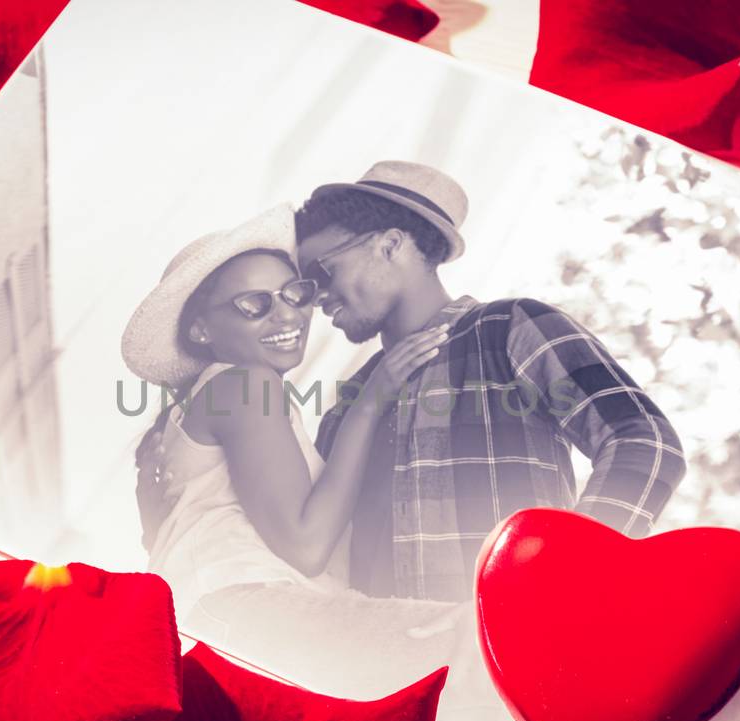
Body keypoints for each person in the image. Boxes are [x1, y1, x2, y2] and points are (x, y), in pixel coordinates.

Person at [294, 161, 688, 601]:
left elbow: (646, 442)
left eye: (322, 272)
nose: (316, 297)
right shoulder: (352, 402)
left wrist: (563, 581)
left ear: (390, 245)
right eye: (304, 285)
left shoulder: (508, 328)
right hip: (382, 659)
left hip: (506, 654)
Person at [120, 205, 449, 617]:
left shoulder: (211, 400)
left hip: (223, 613)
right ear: (201, 330)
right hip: (254, 607)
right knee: (461, 643)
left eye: (295, 293)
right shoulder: (246, 384)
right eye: (254, 304)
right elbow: (306, 547)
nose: (288, 314)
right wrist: (370, 401)